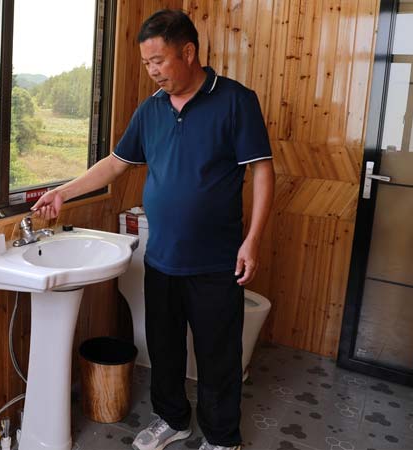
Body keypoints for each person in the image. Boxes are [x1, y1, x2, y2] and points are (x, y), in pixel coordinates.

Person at [32, 9, 274, 450]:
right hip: (161, 256)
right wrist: (63, 192)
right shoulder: (151, 109)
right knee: (163, 348)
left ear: (188, 52)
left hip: (216, 260)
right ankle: (172, 418)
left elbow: (261, 170)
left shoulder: (235, 101)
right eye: (146, 64)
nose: (153, 71)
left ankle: (222, 438)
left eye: (159, 60)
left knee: (218, 354)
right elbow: (115, 164)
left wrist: (252, 240)